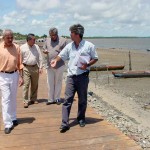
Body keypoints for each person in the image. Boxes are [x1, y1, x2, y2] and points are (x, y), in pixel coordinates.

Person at [51, 24, 98, 133]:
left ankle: (81, 118)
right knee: (67, 100)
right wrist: (55, 60)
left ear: (77, 34)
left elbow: (95, 58)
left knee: (82, 100)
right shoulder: (69, 46)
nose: (70, 35)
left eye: (71, 33)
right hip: (71, 77)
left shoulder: (89, 45)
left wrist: (87, 65)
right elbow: (61, 55)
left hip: (83, 77)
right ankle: (64, 123)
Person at [0, 29, 24, 134]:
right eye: (8, 38)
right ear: (3, 38)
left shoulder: (17, 47)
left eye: (11, 37)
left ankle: (13, 117)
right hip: (3, 75)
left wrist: (21, 76)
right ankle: (7, 123)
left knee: (13, 97)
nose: (10, 39)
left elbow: (20, 63)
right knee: (6, 99)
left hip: (14, 74)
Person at [43, 28, 68, 105]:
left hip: (59, 65)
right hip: (49, 65)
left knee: (58, 81)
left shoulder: (64, 40)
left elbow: (67, 51)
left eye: (53, 35)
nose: (52, 37)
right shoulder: (47, 40)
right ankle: (50, 99)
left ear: (57, 34)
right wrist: (45, 51)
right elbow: (44, 48)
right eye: (51, 35)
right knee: (50, 82)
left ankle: (57, 98)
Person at [20, 34, 43, 108]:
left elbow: (40, 57)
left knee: (35, 84)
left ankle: (33, 98)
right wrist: (20, 69)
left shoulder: (36, 47)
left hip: (35, 67)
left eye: (35, 39)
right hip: (26, 67)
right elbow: (20, 59)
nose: (34, 41)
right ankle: (25, 101)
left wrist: (41, 67)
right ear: (29, 40)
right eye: (33, 40)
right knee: (26, 85)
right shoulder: (22, 48)